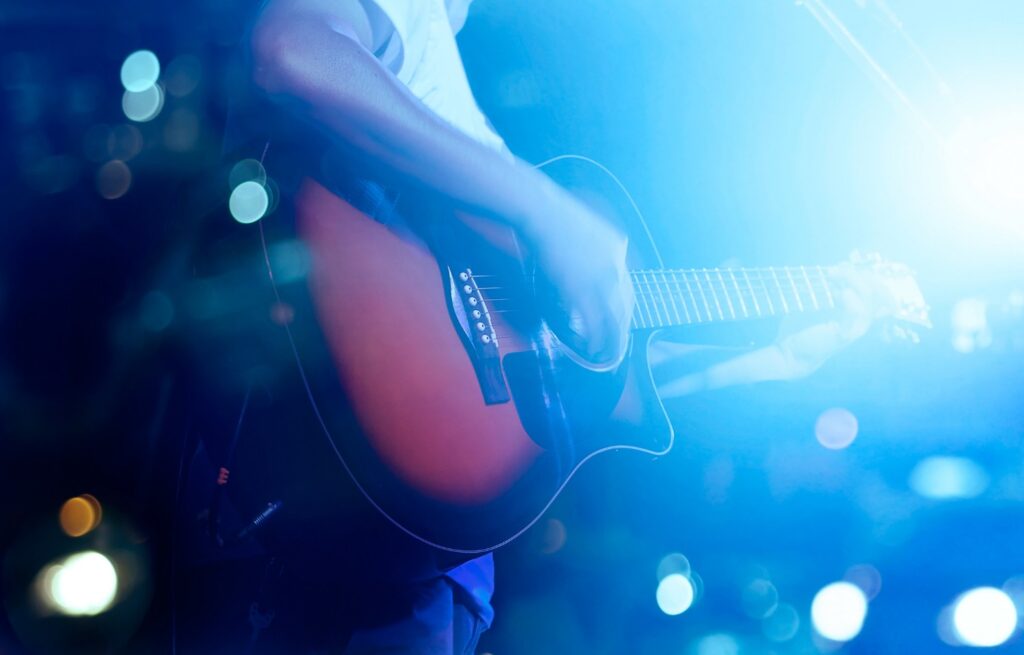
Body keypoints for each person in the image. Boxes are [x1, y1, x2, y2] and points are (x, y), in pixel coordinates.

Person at [188, 0, 875, 652]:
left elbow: (561, 380)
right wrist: (546, 210)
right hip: (343, 541)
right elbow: (290, 51)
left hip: (411, 571)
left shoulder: (445, 73)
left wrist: (772, 359)